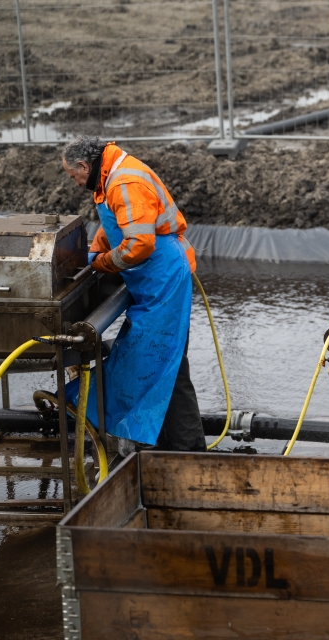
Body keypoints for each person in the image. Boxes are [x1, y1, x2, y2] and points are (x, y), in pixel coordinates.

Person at [62, 136, 206, 452]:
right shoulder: (112, 176)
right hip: (155, 278)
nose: (76, 183)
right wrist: (94, 250)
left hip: (163, 277)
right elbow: (116, 224)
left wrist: (100, 263)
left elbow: (139, 244)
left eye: (75, 176)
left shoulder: (122, 181)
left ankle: (187, 451)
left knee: (164, 362)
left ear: (85, 166)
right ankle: (167, 443)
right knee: (159, 361)